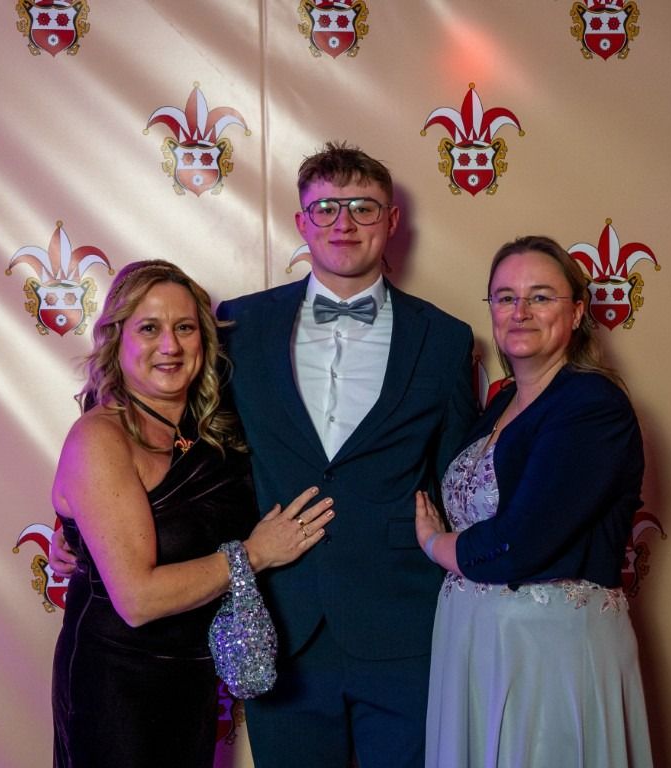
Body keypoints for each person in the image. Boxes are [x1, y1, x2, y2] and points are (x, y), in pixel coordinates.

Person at [215, 142, 478, 767]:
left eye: (363, 207)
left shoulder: (445, 338)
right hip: (283, 624)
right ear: (301, 222)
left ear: (391, 221)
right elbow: (197, 450)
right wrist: (78, 529)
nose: (344, 223)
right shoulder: (239, 327)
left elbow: (462, 478)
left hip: (405, 625)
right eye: (326, 208)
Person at [50, 260, 335, 768]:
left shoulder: (216, 427)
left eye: (184, 327)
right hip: (117, 685)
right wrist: (254, 555)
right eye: (149, 328)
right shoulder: (100, 436)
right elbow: (137, 599)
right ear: (117, 339)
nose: (170, 345)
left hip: (192, 681)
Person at [414, 235, 654, 767]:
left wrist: (434, 543)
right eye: (505, 297)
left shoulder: (592, 405)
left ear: (578, 312)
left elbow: (517, 544)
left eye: (540, 297)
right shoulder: (500, 404)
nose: (520, 312)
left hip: (548, 649)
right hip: (475, 641)